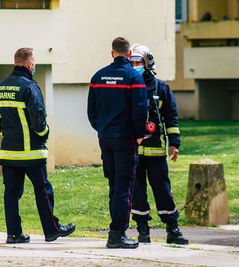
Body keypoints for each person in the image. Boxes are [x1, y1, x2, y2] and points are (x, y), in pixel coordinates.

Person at [0, 48, 75, 244]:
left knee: (11, 193)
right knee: (43, 190)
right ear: (29, 64)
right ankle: (51, 230)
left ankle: (14, 234)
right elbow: (38, 120)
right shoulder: (30, 87)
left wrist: (8, 135)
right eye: (34, 62)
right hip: (32, 152)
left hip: (9, 153)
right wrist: (45, 134)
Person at [87, 37, 148, 249]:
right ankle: (117, 234)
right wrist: (139, 134)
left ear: (112, 53)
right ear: (129, 53)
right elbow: (141, 110)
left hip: (106, 138)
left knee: (114, 185)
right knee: (124, 186)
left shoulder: (97, 77)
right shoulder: (133, 77)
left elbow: (91, 111)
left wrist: (103, 129)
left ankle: (116, 230)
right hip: (126, 139)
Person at [129, 44, 188, 245]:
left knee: (162, 189)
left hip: (156, 151)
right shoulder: (128, 86)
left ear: (147, 63)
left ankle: (172, 229)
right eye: (132, 62)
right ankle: (143, 231)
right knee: (137, 191)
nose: (134, 66)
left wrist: (174, 143)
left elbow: (171, 117)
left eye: (138, 62)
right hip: (135, 151)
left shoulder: (161, 87)